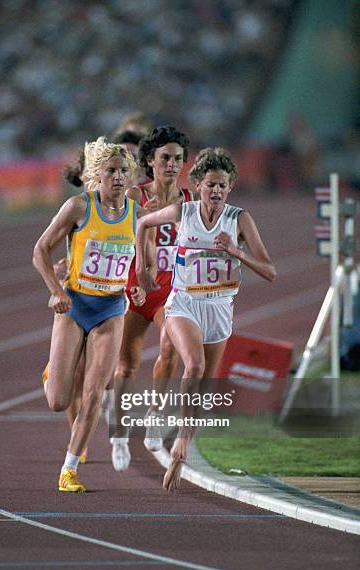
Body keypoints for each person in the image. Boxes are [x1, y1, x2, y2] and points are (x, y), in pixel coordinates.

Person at [136, 146, 276, 491]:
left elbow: (270, 271)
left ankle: (182, 438)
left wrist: (235, 251)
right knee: (194, 367)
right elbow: (142, 223)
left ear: (230, 188)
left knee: (203, 387)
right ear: (198, 184)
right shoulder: (181, 212)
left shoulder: (239, 219)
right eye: (210, 184)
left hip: (220, 308)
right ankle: (179, 445)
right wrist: (144, 267)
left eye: (223, 185)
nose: (216, 190)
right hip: (183, 303)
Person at [33, 137, 146, 492]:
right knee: (58, 401)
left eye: (123, 171)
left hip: (111, 309)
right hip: (75, 304)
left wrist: (138, 286)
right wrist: (55, 291)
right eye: (110, 170)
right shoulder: (79, 207)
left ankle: (69, 470)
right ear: (97, 175)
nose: (117, 176)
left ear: (130, 176)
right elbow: (40, 250)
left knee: (97, 391)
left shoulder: (137, 214)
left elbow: (141, 262)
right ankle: (54, 372)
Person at [110, 126, 197, 471]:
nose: (172, 165)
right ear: (150, 160)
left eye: (178, 159)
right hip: (134, 289)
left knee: (169, 348)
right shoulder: (134, 196)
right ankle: (118, 433)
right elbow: (116, 235)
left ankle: (154, 414)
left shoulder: (190, 201)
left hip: (170, 293)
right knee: (126, 365)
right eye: (165, 158)